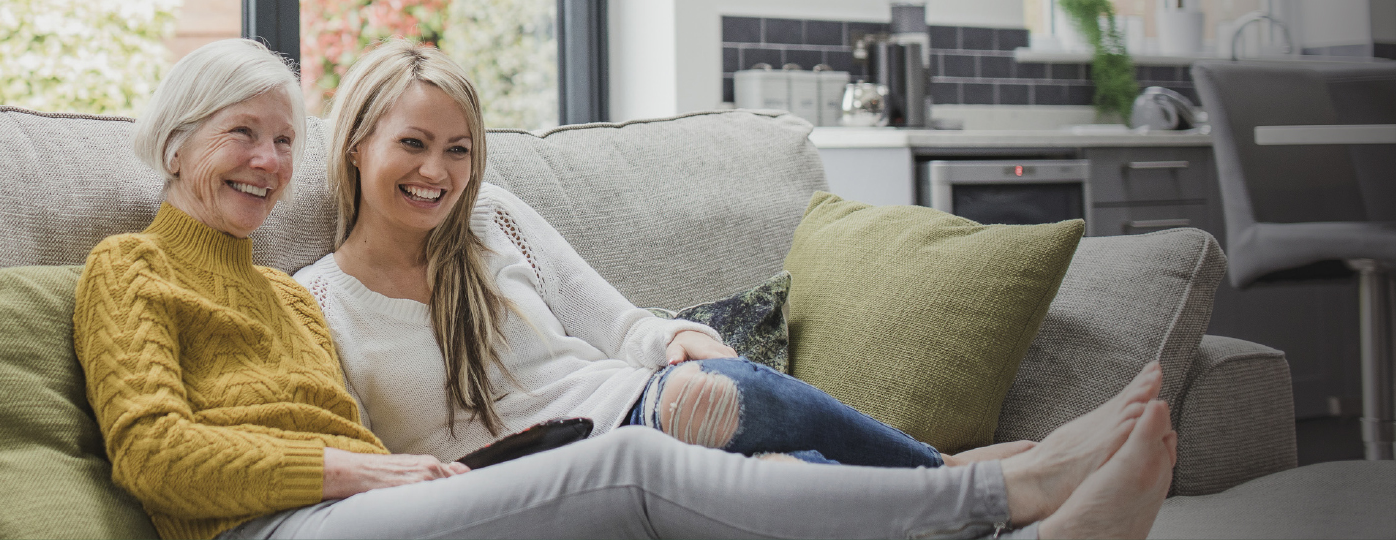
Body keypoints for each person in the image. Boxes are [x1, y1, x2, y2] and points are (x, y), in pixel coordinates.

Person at [74, 38, 1176, 540]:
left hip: (381, 496)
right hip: (293, 522)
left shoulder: (279, 295)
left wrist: (668, 347)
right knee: (654, 453)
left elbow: (359, 435)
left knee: (755, 454)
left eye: (279, 138)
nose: (266, 161)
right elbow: (157, 456)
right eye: (240, 137)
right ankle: (1001, 498)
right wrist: (363, 472)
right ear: (175, 144)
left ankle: (1007, 507)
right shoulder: (131, 270)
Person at [294, 40, 1027, 469]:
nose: (437, 173)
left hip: (630, 410)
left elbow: (617, 325)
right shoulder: (317, 301)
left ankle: (964, 488)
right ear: (357, 146)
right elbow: (358, 456)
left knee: (764, 447)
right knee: (756, 445)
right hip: (538, 475)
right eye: (413, 145)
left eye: (458, 151)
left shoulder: (491, 217)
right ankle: (957, 478)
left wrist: (678, 338)